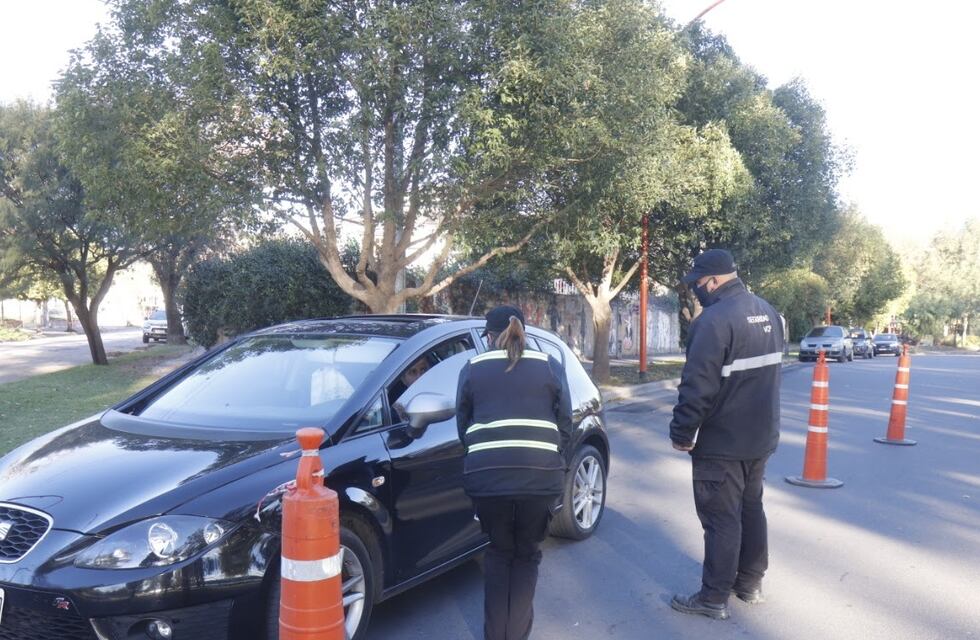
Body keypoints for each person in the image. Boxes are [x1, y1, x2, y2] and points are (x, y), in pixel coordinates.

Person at [668, 249, 784, 621]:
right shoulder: (768, 312)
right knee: (751, 508)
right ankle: (750, 584)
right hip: (760, 437)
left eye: (699, 284)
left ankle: (713, 597)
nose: (696, 290)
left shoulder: (713, 321)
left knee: (721, 518)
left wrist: (682, 431)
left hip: (722, 442)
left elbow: (697, 387)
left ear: (715, 280)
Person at [456, 305, 573, 640]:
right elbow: (565, 424)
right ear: (523, 331)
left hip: (488, 481)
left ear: (490, 336)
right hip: (539, 481)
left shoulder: (473, 367)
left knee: (498, 553)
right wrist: (549, 456)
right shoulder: (549, 365)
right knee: (526, 555)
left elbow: (463, 426)